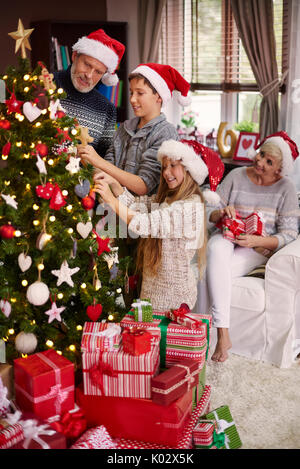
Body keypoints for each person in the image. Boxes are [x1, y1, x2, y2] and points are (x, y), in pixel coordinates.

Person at [198, 131, 300, 363]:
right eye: (261, 154)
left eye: (269, 162)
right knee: (214, 251)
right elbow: (208, 212)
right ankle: (221, 334)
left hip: (256, 249)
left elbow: (290, 234)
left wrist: (257, 241)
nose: (259, 162)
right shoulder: (236, 175)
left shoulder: (286, 189)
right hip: (225, 237)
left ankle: (204, 336)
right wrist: (220, 213)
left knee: (206, 274)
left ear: (279, 170)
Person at [92, 139, 219, 312]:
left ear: (190, 170)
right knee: (147, 337)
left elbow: (146, 223)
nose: (166, 172)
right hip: (152, 289)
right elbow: (138, 206)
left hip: (174, 296)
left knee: (165, 337)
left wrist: (111, 200)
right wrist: (114, 184)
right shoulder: (170, 198)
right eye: (164, 167)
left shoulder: (191, 207)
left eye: (173, 165)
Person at [78, 63, 192, 196]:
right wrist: (86, 159)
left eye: (140, 93)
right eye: (132, 92)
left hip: (141, 213)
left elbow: (143, 186)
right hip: (111, 207)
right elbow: (106, 169)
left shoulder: (165, 133)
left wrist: (98, 160)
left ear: (159, 97)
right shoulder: (124, 128)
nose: (132, 99)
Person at [54, 28, 125, 156]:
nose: (89, 75)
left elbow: (106, 157)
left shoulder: (106, 109)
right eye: (87, 65)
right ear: (75, 56)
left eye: (98, 72)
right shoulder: (46, 86)